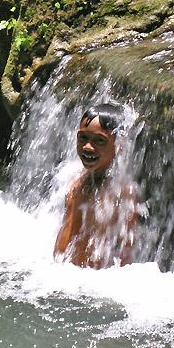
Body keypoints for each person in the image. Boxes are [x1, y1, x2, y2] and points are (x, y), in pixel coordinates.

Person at [53, 104, 139, 269]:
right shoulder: (75, 179)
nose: (87, 147)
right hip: (61, 275)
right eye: (83, 137)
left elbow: (127, 249)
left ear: (120, 145)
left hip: (88, 282)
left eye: (99, 140)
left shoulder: (122, 192)